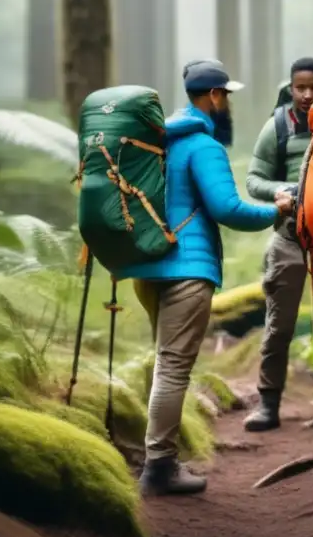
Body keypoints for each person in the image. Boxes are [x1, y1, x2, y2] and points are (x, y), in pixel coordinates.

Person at [118, 59, 293, 496]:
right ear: (214, 96)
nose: (228, 104)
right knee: (173, 366)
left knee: (165, 361)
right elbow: (227, 209)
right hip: (187, 267)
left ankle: (159, 459)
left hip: (150, 265)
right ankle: (159, 466)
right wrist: (277, 210)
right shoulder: (202, 145)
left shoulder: (159, 140)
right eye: (226, 96)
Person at [243, 57, 313, 432]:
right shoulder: (276, 127)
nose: (307, 94)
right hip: (288, 235)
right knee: (278, 324)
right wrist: (283, 190)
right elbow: (254, 179)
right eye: (300, 87)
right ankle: (267, 405)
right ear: (291, 87)